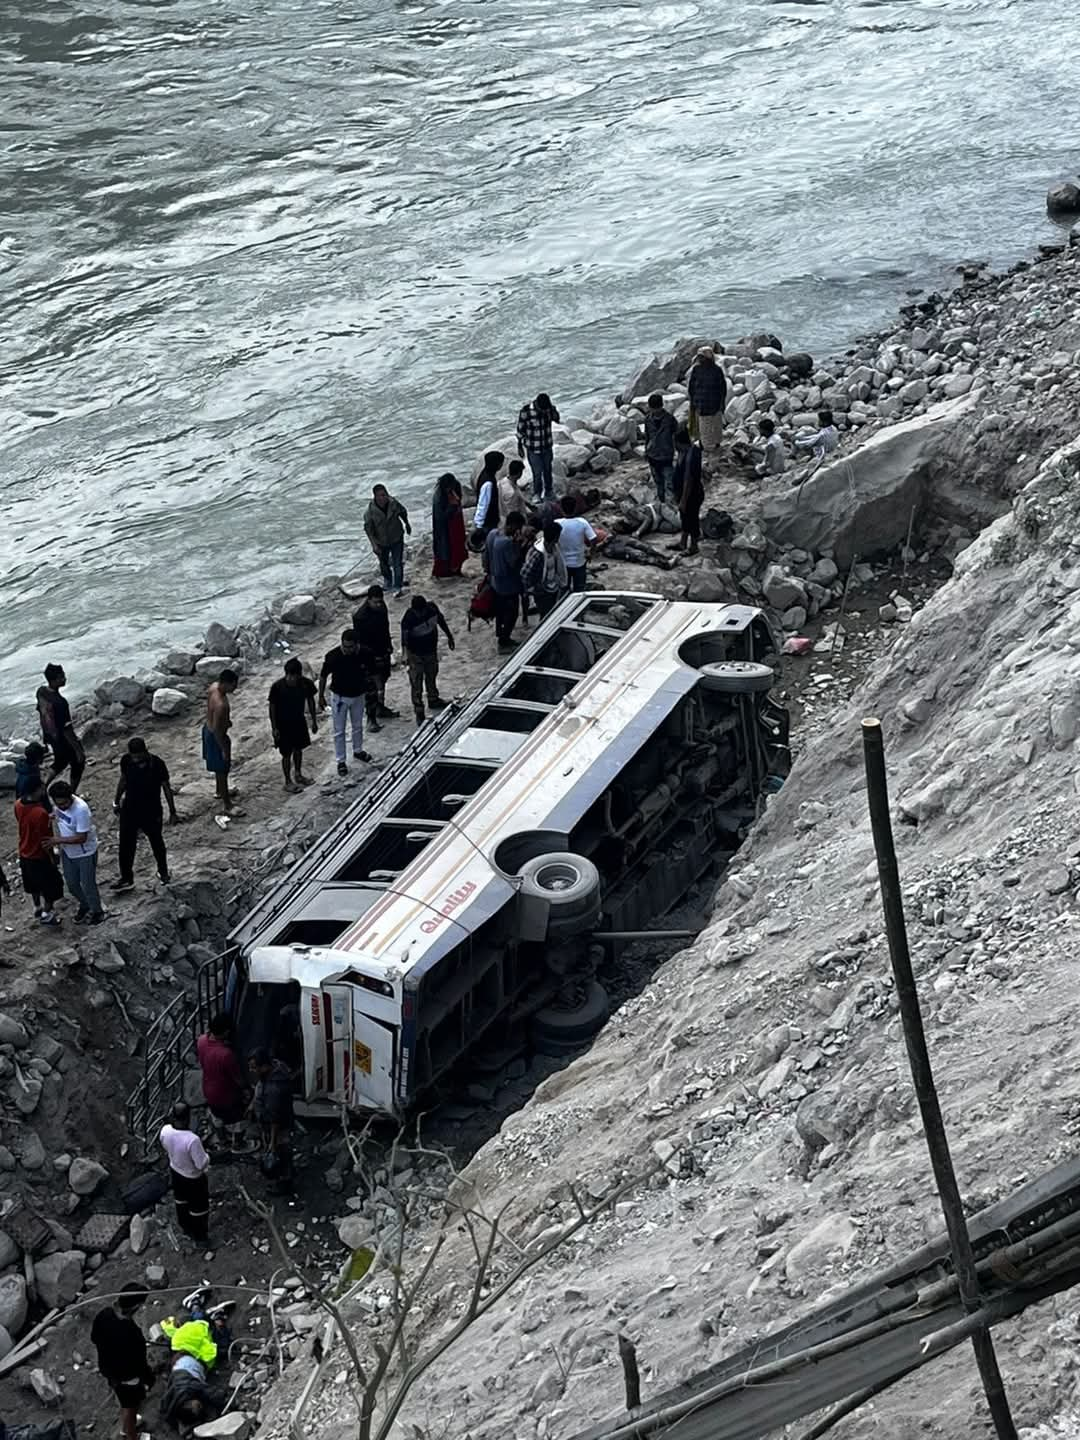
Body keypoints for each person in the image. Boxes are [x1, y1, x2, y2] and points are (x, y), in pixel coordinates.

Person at [112, 737, 177, 891]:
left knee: (157, 843)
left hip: (151, 810)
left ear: (145, 751)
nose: (136, 759)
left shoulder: (157, 764)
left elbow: (166, 787)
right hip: (129, 808)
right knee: (126, 844)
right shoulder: (126, 761)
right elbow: (123, 780)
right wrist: (116, 801)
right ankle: (126, 877)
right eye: (134, 756)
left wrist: (172, 811)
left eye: (139, 756)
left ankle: (163, 872)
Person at [90, 1283, 153, 1440]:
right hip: (128, 1378)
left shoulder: (104, 1315)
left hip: (109, 1371)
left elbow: (94, 1338)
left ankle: (126, 1428)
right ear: (137, 1306)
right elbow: (140, 1365)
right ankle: (131, 1435)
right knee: (131, 1407)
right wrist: (148, 1379)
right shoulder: (132, 1333)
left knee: (124, 1401)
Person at [45, 781, 102, 924]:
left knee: (88, 885)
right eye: (59, 804)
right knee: (72, 885)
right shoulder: (59, 806)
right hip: (68, 852)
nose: (62, 807)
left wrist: (57, 840)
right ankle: (85, 904)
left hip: (85, 853)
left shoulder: (81, 809)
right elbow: (58, 814)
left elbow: (81, 838)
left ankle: (97, 911)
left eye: (64, 804)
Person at [318, 630, 374, 777]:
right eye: (345, 646)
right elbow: (323, 676)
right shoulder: (333, 656)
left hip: (358, 695)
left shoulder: (365, 653)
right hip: (340, 697)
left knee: (357, 725)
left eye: (350, 647)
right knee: (339, 730)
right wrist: (321, 696)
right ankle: (341, 760)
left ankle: (358, 750)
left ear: (357, 645)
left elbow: (372, 671)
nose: (348, 650)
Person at [160, 1101, 211, 1244]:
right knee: (199, 1208)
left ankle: (186, 1227)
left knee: (181, 1201)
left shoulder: (165, 1131)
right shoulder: (192, 1140)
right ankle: (200, 1238)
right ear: (188, 1118)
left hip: (175, 1171)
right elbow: (201, 1164)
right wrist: (207, 1156)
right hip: (193, 1178)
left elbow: (165, 1147)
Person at [401, 595, 455, 725]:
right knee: (416, 682)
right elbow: (404, 639)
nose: (420, 613)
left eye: (422, 611)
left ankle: (433, 699)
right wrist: (405, 655)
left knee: (432, 674)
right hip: (416, 655)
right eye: (418, 611)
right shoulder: (408, 618)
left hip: (431, 650)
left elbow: (441, 620)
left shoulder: (432, 609)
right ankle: (419, 711)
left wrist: (449, 636)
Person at [15, 782, 63, 927]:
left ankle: (37, 907)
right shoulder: (40, 813)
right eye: (41, 787)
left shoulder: (18, 804)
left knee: (32, 885)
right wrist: (53, 856)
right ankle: (46, 915)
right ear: (36, 790)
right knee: (52, 887)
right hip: (39, 856)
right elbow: (46, 839)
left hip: (24, 853)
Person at [267, 659, 318, 794]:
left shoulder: (305, 684)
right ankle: (288, 781)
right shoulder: (277, 687)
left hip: (299, 721)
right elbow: (272, 707)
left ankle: (298, 774)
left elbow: (311, 701)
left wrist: (314, 720)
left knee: (299, 749)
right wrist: (274, 728)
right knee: (286, 754)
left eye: (294, 676)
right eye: (289, 676)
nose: (291, 679)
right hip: (283, 725)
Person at [196, 1013, 247, 1145]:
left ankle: (222, 1140)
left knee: (217, 1117)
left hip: (208, 1090)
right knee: (237, 1120)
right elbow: (237, 1079)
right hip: (226, 1094)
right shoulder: (226, 1054)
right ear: (226, 1032)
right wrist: (247, 1089)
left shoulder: (201, 1040)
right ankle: (238, 1144)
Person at [352, 585, 397, 727]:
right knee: (371, 688)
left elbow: (386, 627)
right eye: (375, 602)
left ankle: (380, 708)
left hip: (383, 650)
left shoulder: (382, 608)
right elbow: (360, 641)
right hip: (369, 655)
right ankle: (371, 719)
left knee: (383, 680)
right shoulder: (360, 617)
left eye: (380, 601)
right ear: (369, 600)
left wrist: (389, 645)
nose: (378, 604)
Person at [250, 1049, 294, 1194]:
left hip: (276, 1126)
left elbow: (275, 1118)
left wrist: (272, 1142)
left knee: (280, 1152)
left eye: (254, 1067)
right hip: (279, 1121)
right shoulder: (276, 1069)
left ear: (265, 1067)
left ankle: (283, 1182)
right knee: (283, 1150)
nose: (252, 1070)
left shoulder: (274, 1090)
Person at [36, 664, 85, 790]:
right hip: (62, 738)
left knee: (60, 761)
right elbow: (67, 730)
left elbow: (42, 713)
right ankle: (72, 792)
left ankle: (44, 786)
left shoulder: (41, 692)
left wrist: (45, 737)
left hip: (51, 735)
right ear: (54, 680)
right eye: (61, 677)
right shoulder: (60, 702)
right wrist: (78, 750)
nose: (65, 679)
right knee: (78, 763)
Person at [486, 511, 525, 652]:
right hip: (508, 584)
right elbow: (513, 563)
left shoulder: (492, 534)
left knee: (500, 611)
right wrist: (519, 546)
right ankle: (504, 640)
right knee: (512, 612)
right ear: (513, 525)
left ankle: (500, 634)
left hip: (495, 581)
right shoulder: (507, 543)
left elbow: (486, 556)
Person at [363, 484, 411, 596]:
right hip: (381, 542)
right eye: (381, 495)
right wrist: (374, 545)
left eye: (385, 494)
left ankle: (398, 587)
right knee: (384, 564)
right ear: (376, 497)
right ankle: (388, 582)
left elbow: (403, 512)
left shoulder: (394, 503)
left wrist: (407, 524)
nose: (385, 497)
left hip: (396, 537)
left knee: (397, 563)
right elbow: (368, 530)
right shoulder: (370, 512)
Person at [202, 670, 239, 815]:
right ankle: (227, 805)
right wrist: (223, 748)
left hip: (207, 728)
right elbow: (218, 730)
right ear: (226, 684)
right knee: (222, 769)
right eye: (233, 685)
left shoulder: (213, 687)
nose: (235, 688)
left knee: (220, 769)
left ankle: (220, 791)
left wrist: (225, 721)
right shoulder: (221, 705)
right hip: (216, 736)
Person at [516, 392, 560, 501]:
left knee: (548, 470)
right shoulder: (526, 411)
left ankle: (549, 491)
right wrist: (520, 446)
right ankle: (537, 493)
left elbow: (557, 420)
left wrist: (553, 411)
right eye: (543, 410)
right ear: (538, 405)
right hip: (533, 448)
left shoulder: (549, 409)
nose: (545, 411)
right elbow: (520, 430)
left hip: (547, 446)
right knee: (537, 472)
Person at [521, 521, 569, 619]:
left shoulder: (554, 548)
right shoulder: (538, 554)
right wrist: (531, 588)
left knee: (550, 611)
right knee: (546, 615)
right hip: (542, 590)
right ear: (555, 537)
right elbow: (524, 573)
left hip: (552, 586)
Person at [687, 346, 728, 456]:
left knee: (706, 428)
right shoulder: (716, 370)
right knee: (713, 427)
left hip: (703, 405)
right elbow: (723, 389)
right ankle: (713, 446)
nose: (700, 360)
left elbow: (692, 388)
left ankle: (708, 450)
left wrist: (693, 402)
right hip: (711, 405)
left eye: (701, 358)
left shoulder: (698, 370)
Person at [554, 495, 597, 593]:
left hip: (563, 564)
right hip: (579, 562)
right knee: (580, 591)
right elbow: (593, 539)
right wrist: (591, 552)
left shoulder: (557, 523)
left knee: (564, 591)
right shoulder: (582, 522)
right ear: (575, 507)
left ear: (561, 508)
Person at [674, 425, 705, 555]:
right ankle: (682, 542)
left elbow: (688, 480)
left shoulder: (691, 455)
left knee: (691, 519)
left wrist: (683, 500)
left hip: (691, 493)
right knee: (685, 517)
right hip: (684, 492)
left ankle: (693, 546)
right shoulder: (684, 452)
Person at [431, 472, 468, 579]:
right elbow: (440, 518)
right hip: (443, 527)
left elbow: (459, 501)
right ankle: (446, 571)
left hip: (455, 523)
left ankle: (457, 568)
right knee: (444, 549)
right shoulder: (438, 497)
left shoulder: (455, 487)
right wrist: (451, 507)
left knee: (458, 546)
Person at [644, 393, 677, 503]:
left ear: (661, 406)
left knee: (669, 483)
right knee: (658, 483)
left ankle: (671, 505)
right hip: (652, 456)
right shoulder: (647, 420)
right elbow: (647, 437)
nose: (654, 411)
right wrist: (646, 451)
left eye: (656, 408)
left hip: (666, 456)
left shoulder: (670, 420)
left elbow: (676, 435)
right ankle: (662, 503)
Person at [471, 451, 505, 541]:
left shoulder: (484, 474)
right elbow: (483, 504)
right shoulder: (488, 482)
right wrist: (479, 524)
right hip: (488, 521)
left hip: (488, 519)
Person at [15, 742, 49, 806]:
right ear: (38, 759)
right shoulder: (32, 776)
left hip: (19, 804)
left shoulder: (23, 767)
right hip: (30, 806)